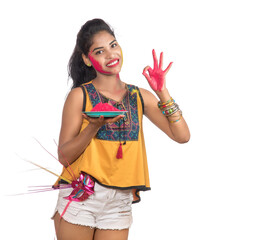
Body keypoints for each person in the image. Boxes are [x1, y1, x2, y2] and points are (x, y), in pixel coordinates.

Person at [52, 18, 190, 240]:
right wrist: (92, 128)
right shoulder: (80, 96)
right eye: (99, 51)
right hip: (81, 196)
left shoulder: (139, 97)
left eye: (113, 45)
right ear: (87, 60)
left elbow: (182, 136)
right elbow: (63, 155)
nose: (110, 54)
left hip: (118, 202)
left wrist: (162, 92)